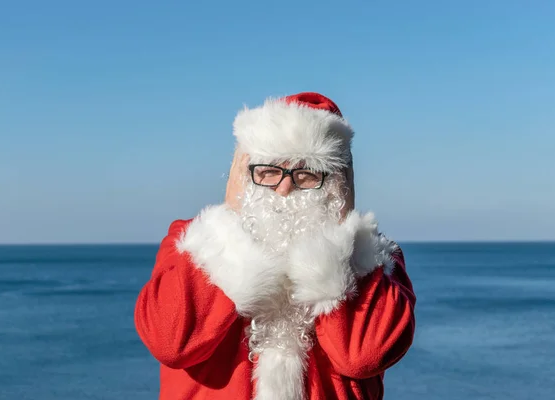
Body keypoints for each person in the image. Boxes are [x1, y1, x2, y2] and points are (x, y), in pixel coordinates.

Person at [134, 92, 416, 400]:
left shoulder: (376, 259)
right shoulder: (192, 242)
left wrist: (337, 246)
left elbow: (363, 357)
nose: (284, 188)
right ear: (243, 173)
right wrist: (230, 227)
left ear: (338, 184)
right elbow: (171, 343)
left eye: (307, 174)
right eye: (267, 171)